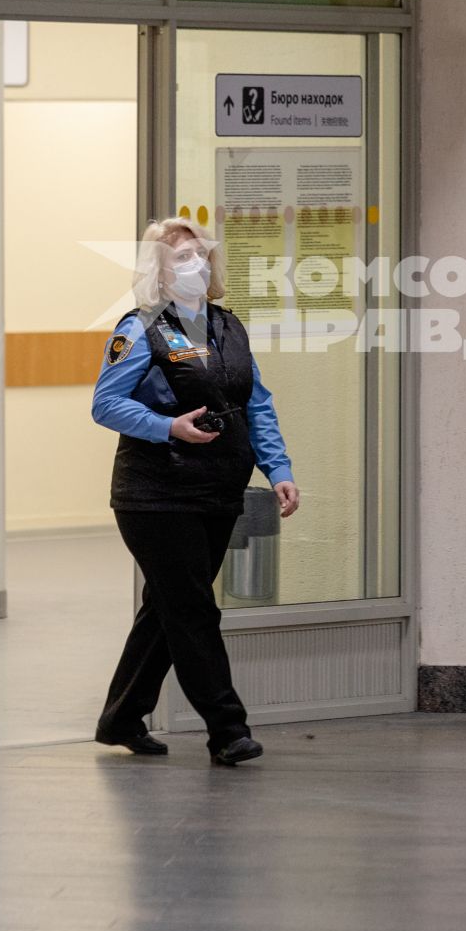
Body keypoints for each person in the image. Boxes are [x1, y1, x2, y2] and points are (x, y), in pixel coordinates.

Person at [90, 217, 299, 767]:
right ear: (157, 273)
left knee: (168, 607)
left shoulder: (229, 327)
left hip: (217, 489)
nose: (195, 265)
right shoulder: (139, 328)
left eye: (199, 254)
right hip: (155, 495)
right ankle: (227, 730)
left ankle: (121, 717)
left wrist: (278, 468)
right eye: (180, 258)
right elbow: (106, 404)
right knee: (194, 611)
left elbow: (257, 403)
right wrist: (169, 427)